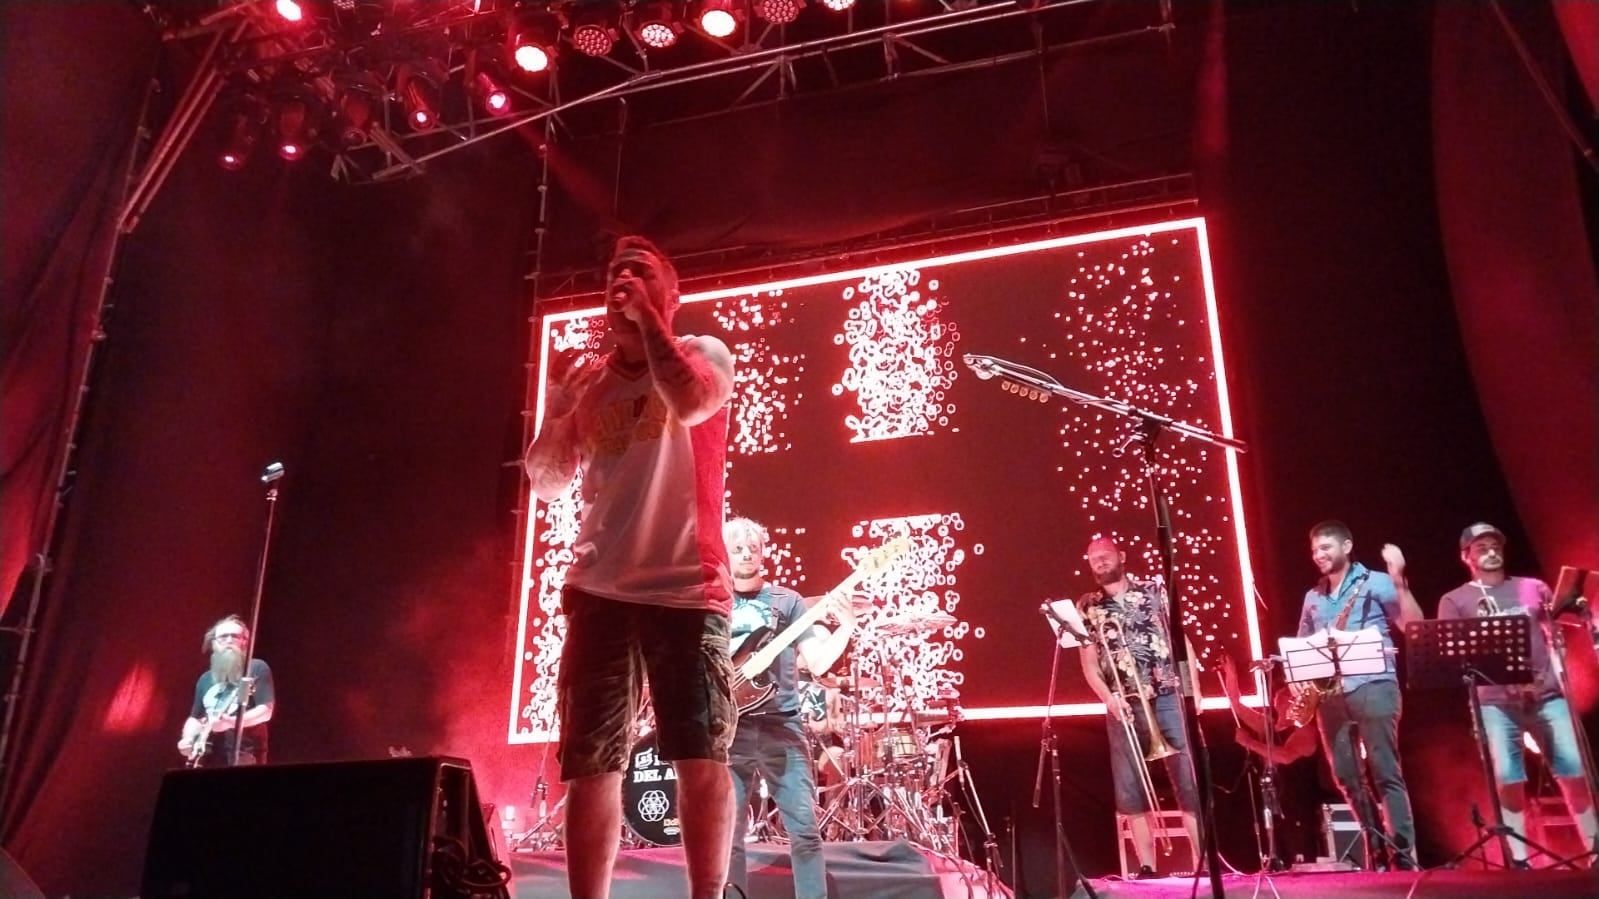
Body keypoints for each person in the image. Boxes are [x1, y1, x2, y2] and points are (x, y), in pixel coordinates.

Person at [523, 236, 737, 899]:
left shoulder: (702, 354)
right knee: (592, 761)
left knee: (699, 751)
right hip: (598, 588)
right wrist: (558, 406)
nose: (622, 279)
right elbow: (547, 481)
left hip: (684, 585)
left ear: (670, 296)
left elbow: (695, 404)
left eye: (641, 273)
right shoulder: (590, 380)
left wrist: (648, 322)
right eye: (614, 273)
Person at [1437, 522, 1599, 867]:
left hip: (1547, 695)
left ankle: (1594, 850)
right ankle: (1519, 859)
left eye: (1496, 545)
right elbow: (1448, 654)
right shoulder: (1455, 600)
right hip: (1496, 703)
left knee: (1573, 772)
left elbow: (1556, 625)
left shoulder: (1532, 587)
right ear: (1466, 556)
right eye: (1482, 547)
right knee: (1509, 777)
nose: (1492, 551)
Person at [723, 517, 856, 899]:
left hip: (783, 726)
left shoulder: (788, 601)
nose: (747, 554)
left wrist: (845, 628)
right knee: (728, 837)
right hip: (730, 730)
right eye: (737, 548)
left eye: (753, 547)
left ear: (764, 551)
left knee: (805, 830)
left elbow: (817, 662)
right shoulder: (714, 601)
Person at [1293, 520, 1423, 870]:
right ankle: (1376, 849)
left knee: (1385, 771)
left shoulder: (1378, 582)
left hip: (1374, 685)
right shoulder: (1313, 597)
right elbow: (1303, 646)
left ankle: (1403, 855)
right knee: (1347, 778)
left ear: (1347, 546)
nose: (1318, 555)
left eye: (1326, 548)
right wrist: (1296, 679)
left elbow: (1413, 626)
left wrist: (1399, 582)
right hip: (1330, 697)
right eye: (1315, 550)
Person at [1074, 537, 1202, 879]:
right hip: (1124, 705)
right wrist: (1110, 700)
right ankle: (1146, 867)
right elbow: (1090, 666)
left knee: (1188, 781)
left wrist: (1194, 692)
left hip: (1166, 696)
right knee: (1130, 788)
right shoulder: (1088, 607)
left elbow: (1181, 640)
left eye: (1105, 556)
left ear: (1122, 557)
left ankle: (1202, 864)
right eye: (1093, 559)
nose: (1099, 562)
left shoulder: (1154, 591)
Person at [1218, 653, 1322, 867]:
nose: (1281, 698)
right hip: (1272, 799)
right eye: (1280, 696)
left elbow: (1285, 756)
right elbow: (1237, 705)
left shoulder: (1305, 731)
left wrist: (1249, 743)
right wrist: (1231, 674)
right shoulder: (1269, 725)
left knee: (1298, 851)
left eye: (1287, 696)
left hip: (1297, 804)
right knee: (1276, 845)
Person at [177, 615, 274, 767]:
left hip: (244, 755)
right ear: (214, 643)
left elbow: (266, 711)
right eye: (223, 637)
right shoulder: (205, 679)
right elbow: (196, 718)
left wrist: (230, 722)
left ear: (245, 642)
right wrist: (188, 739)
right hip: (207, 757)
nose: (229, 640)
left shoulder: (256, 667)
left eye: (235, 636)